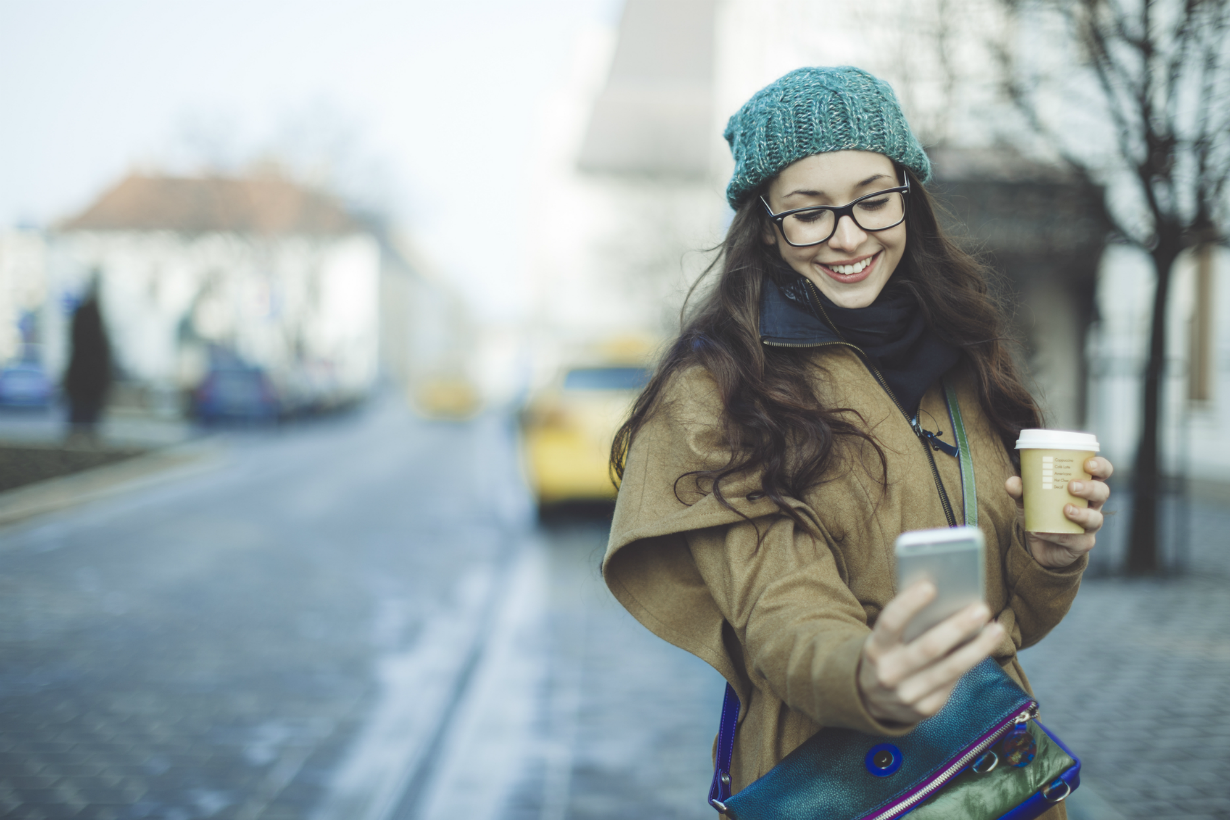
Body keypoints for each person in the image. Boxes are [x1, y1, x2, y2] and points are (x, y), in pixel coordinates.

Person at [603, 66, 1112, 818]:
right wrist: (868, 675)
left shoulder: (963, 358)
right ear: (764, 227)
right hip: (838, 782)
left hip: (991, 781)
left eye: (874, 200)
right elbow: (780, 614)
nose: (849, 237)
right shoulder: (714, 391)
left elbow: (1008, 629)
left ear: (909, 195)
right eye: (808, 214)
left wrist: (1049, 562)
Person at [64, 280, 112, 443]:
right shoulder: (93, 319)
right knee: (85, 424)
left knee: (80, 424)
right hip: (89, 382)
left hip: (83, 382)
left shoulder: (83, 316)